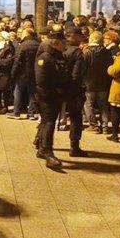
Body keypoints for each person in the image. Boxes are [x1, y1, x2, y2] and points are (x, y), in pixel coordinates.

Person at [34, 27, 69, 169]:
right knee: (48, 123)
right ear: (56, 43)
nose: (65, 45)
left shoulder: (58, 56)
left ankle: (42, 148)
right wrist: (55, 91)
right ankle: (47, 151)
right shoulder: (45, 57)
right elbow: (42, 80)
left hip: (55, 95)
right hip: (48, 96)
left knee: (47, 122)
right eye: (63, 42)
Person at [64, 27, 89, 156]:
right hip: (73, 90)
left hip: (58, 87)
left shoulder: (62, 49)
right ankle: (74, 146)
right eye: (80, 36)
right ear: (74, 36)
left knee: (49, 117)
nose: (82, 38)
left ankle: (40, 140)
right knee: (75, 118)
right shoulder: (77, 53)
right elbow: (77, 74)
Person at [83, 31, 113, 133]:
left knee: (88, 104)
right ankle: (105, 126)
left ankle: (93, 125)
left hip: (88, 83)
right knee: (103, 105)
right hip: (103, 82)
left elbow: (83, 67)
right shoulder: (107, 52)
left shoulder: (87, 52)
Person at [9, 28, 40, 120]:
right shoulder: (38, 44)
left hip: (22, 73)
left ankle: (16, 112)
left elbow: (17, 61)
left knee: (18, 91)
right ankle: (31, 113)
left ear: (26, 34)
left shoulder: (22, 45)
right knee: (32, 93)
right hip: (34, 72)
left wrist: (13, 73)